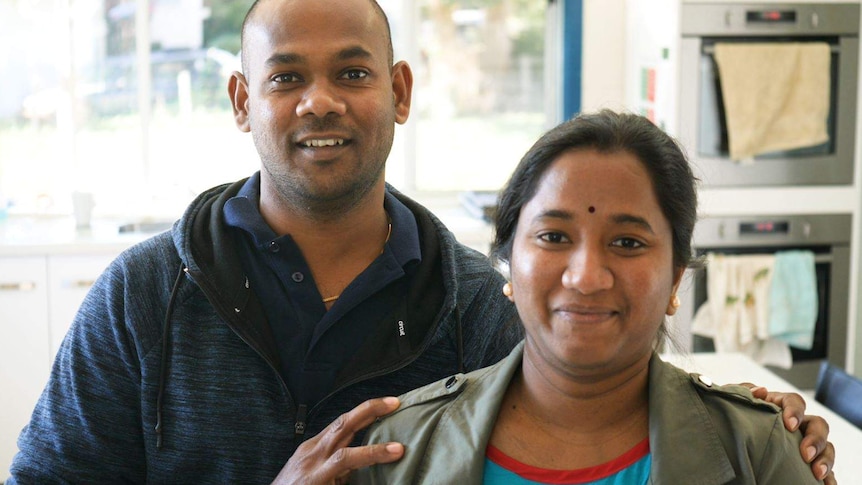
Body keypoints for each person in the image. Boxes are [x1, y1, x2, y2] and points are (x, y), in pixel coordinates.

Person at [7, 1, 835, 484]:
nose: (320, 102)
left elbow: (596, 389)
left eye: (354, 74)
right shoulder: (145, 295)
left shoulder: (477, 302)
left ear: (399, 92)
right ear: (240, 100)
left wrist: (752, 429)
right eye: (287, 77)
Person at [356, 110, 835, 484]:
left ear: (675, 280)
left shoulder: (760, 450)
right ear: (507, 265)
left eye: (627, 242)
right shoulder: (398, 451)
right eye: (554, 237)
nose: (586, 277)